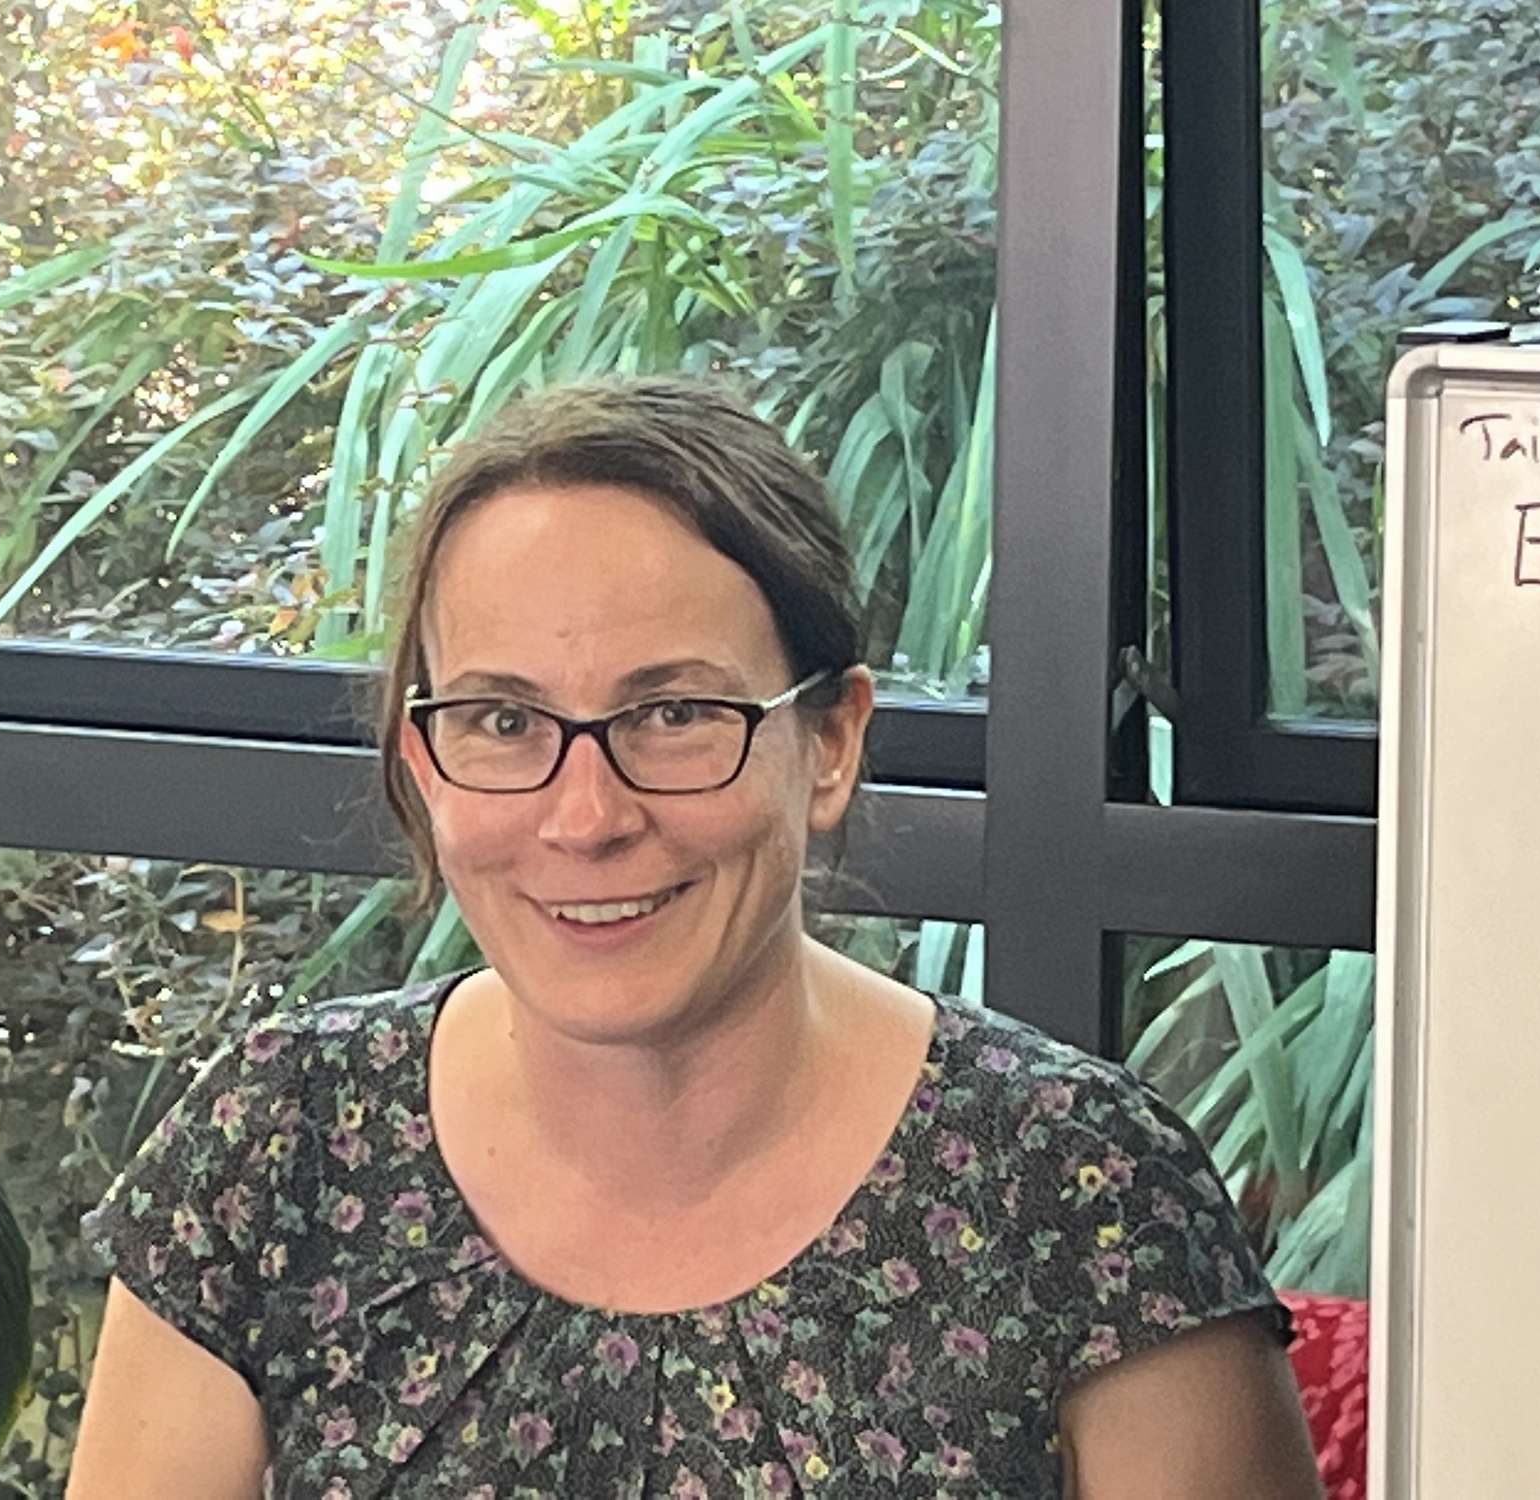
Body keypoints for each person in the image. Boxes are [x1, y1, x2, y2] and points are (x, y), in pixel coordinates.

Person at [68, 376, 1324, 1499]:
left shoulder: (1079, 1193)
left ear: (828, 743)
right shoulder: (277, 1146)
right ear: (423, 760)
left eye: (673, 714)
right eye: (503, 722)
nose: (586, 817)